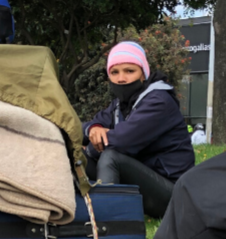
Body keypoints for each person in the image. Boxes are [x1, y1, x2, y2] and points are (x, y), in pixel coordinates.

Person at [82, 42, 194, 218]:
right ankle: (72, 211)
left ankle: (108, 222)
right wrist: (93, 129)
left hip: (171, 194)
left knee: (110, 156)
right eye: (114, 72)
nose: (121, 79)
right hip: (144, 183)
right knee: (76, 157)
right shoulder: (121, 104)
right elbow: (84, 126)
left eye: (129, 71)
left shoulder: (159, 101)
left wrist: (89, 148)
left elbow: (121, 142)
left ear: (144, 74)